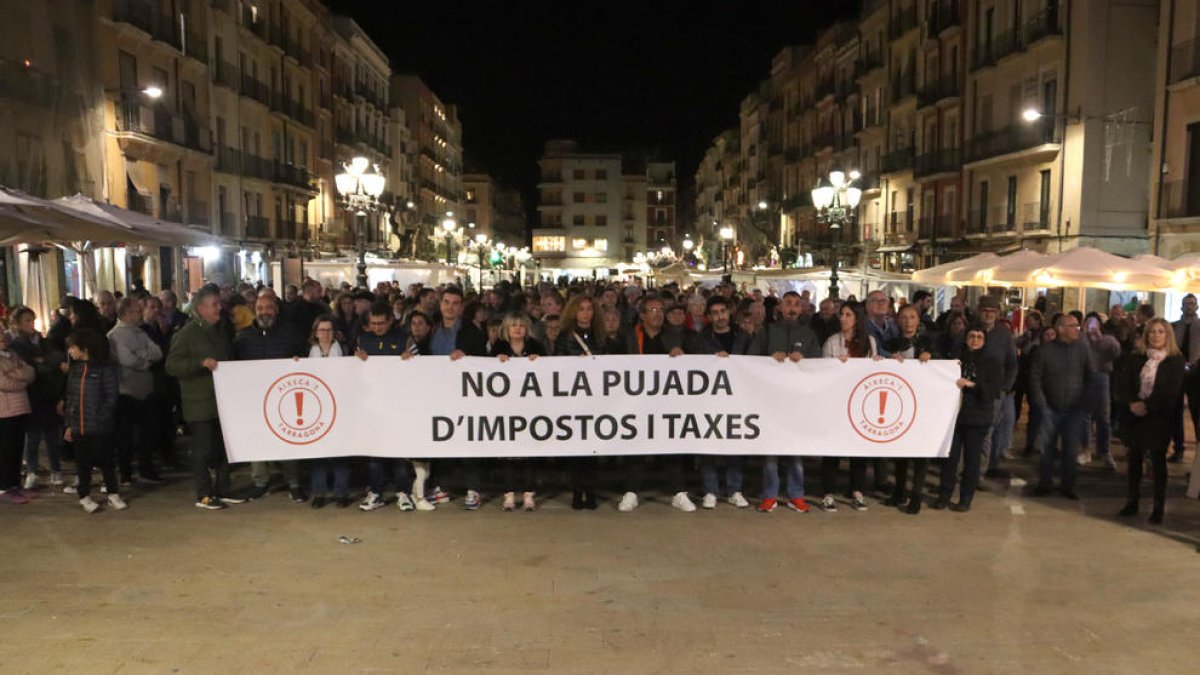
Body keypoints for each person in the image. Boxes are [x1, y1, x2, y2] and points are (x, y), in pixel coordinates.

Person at [619, 294, 697, 513]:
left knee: (671, 445)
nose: (658, 314)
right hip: (637, 400)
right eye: (652, 310)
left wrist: (683, 355)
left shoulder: (676, 336)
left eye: (661, 310)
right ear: (642, 315)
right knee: (636, 445)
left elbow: (697, 360)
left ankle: (678, 492)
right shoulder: (630, 337)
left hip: (667, 402)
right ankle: (631, 491)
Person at [165, 285, 239, 510]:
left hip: (221, 402)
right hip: (199, 404)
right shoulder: (186, 334)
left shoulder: (219, 331)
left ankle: (223, 488)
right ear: (201, 309)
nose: (220, 307)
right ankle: (204, 493)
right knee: (202, 450)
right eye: (215, 304)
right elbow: (171, 365)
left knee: (224, 448)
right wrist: (199, 364)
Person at [749, 291, 821, 513]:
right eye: (788, 303)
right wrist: (769, 360)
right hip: (771, 401)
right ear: (780, 307)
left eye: (796, 305)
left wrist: (805, 361)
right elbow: (750, 360)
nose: (792, 308)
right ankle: (769, 495)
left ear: (802, 309)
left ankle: (795, 495)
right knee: (771, 451)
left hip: (797, 402)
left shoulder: (808, 334)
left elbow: (819, 365)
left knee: (795, 451)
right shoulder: (767, 332)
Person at [234, 293, 307, 502]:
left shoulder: (291, 334)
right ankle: (260, 482)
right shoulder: (243, 337)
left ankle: (294, 483)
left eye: (268, 308)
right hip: (255, 398)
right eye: (260, 308)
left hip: (284, 399)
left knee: (288, 440)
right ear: (254, 310)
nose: (264, 312)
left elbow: (305, 358)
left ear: (276, 310)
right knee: (257, 439)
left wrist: (298, 361)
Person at [1117, 318, 1185, 525]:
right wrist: (1132, 403)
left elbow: (1170, 391)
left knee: (1157, 463)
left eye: (1160, 332)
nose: (1156, 335)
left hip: (1159, 417)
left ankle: (1158, 507)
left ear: (1168, 335)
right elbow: (1124, 384)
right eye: (1152, 332)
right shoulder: (1136, 358)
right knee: (1134, 460)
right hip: (1134, 415)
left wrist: (1147, 406)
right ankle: (1132, 500)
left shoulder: (1175, 361)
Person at [355, 302, 416, 511]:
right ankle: (376, 492)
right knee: (375, 453)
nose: (377, 327)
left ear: (390, 320)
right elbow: (353, 371)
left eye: (381, 323)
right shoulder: (362, 341)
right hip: (372, 406)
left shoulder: (405, 340)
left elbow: (422, 367)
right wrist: (356, 360)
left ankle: (403, 492)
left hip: (399, 405)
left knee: (398, 452)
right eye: (373, 323)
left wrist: (412, 360)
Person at [934, 323, 1002, 512]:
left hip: (978, 416)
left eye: (979, 337)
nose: (975, 340)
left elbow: (994, 389)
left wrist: (973, 386)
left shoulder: (991, 360)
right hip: (953, 417)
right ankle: (944, 495)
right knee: (950, 459)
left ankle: (965, 499)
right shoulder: (955, 358)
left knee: (972, 461)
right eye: (972, 336)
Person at [1030, 313, 1095, 500]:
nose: (1077, 329)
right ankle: (1045, 483)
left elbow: (1091, 376)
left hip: (1074, 409)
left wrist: (1084, 403)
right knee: (1047, 448)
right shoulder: (1045, 351)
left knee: (1070, 449)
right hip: (1050, 407)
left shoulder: (1082, 350)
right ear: (1060, 329)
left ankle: (1068, 485)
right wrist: (1041, 403)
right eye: (1073, 326)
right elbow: (1035, 378)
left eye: (1077, 326)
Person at [820, 303, 878, 511]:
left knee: (858, 449)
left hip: (859, 403)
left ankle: (857, 491)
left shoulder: (869, 342)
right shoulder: (832, 341)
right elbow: (823, 370)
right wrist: (835, 364)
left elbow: (872, 369)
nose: (843, 318)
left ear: (857, 318)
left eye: (847, 315)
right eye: (841, 314)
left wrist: (877, 363)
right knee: (832, 449)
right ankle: (828, 492)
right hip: (836, 402)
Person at [696, 296, 750, 509]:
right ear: (709, 316)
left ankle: (734, 490)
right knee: (707, 443)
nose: (720, 316)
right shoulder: (701, 339)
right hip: (709, 398)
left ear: (729, 312)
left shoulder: (743, 336)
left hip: (737, 397)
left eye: (723, 311)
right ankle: (710, 490)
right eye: (715, 313)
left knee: (735, 443)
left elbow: (753, 361)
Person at [62, 329, 123, 513]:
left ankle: (113, 493)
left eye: (72, 347)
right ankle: (84, 496)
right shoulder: (75, 370)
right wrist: (69, 425)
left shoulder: (104, 369)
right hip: (80, 428)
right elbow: (71, 398)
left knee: (106, 461)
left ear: (84, 348)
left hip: (101, 427)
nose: (70, 352)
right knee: (83, 464)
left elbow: (111, 397)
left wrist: (102, 417)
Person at [8, 307, 67, 489]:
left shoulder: (44, 341)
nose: (31, 324)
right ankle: (32, 471)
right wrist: (48, 364)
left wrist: (44, 361)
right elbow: (30, 368)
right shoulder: (17, 345)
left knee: (52, 436)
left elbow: (58, 357)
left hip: (50, 393)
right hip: (32, 395)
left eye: (32, 320)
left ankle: (56, 470)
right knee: (32, 437)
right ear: (17, 324)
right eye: (27, 321)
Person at [108, 297, 164, 485]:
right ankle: (125, 473)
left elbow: (157, 352)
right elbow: (127, 360)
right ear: (125, 314)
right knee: (125, 436)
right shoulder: (114, 336)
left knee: (147, 434)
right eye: (136, 311)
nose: (140, 314)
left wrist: (141, 356)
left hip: (145, 391)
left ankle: (146, 469)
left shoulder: (141, 332)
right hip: (126, 392)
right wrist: (145, 359)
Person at [885, 305, 936, 512]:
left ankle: (916, 495)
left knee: (920, 453)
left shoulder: (929, 342)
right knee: (901, 451)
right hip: (900, 402)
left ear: (918, 320)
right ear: (898, 320)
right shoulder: (891, 343)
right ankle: (899, 491)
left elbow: (941, 367)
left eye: (912, 317)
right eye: (904, 317)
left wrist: (930, 358)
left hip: (923, 402)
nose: (908, 321)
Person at [493, 313, 545, 512]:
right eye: (513, 325)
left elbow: (549, 369)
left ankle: (529, 494)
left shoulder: (536, 346)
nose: (517, 329)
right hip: (506, 406)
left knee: (529, 452)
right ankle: (508, 494)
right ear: (506, 328)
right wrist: (497, 361)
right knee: (508, 452)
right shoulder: (498, 347)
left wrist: (538, 362)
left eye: (521, 325)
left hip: (530, 407)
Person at [557, 296, 604, 509]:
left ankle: (591, 492)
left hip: (596, 397)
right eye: (581, 309)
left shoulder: (601, 335)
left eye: (589, 309)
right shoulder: (564, 336)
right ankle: (577, 492)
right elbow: (556, 363)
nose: (585, 313)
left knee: (593, 448)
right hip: (573, 398)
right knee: (576, 448)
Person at [306, 316, 351, 509]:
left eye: (329, 330)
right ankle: (319, 492)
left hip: (339, 405)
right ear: (316, 333)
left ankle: (341, 492)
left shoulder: (342, 351)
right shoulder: (311, 352)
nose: (326, 334)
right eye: (322, 330)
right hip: (318, 407)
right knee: (319, 453)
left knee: (339, 452)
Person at [973, 296, 1018, 478]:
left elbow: (1012, 364)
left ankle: (980, 473)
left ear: (998, 314)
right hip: (971, 390)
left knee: (988, 432)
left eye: (992, 312)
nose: (988, 315)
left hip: (994, 392)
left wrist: (1005, 388)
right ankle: (966, 471)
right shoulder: (971, 330)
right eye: (985, 311)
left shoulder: (1004, 334)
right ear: (979, 312)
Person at [1078, 312, 1121, 469]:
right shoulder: (1081, 340)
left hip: (1102, 377)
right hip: (1085, 378)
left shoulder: (1108, 340)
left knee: (1103, 417)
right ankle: (1085, 449)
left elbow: (1116, 352)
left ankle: (1104, 451)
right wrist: (1084, 335)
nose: (1091, 327)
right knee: (1085, 416)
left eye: (1094, 323)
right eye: (1088, 323)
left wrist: (1099, 338)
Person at [0, 330, 35, 505]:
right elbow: (2, 383)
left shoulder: (13, 355)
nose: (2, 338)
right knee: (6, 451)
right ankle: (4, 487)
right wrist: (22, 382)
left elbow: (31, 372)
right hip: (4, 411)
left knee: (17, 449)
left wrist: (16, 375)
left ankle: (15, 485)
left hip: (21, 408)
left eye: (2, 334)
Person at [1170, 294, 1200, 463]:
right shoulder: (1174, 327)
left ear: (1196, 307)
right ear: (1181, 307)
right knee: (1176, 411)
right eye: (1186, 303)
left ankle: (1198, 451)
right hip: (1178, 371)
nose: (1188, 306)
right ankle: (1178, 448)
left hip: (1197, 373)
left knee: (1196, 412)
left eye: (1191, 303)